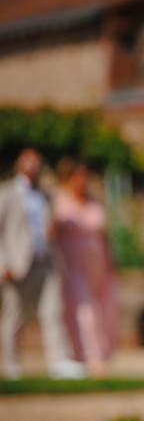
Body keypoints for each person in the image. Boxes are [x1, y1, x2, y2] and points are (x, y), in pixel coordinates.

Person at [0, 148, 82, 379]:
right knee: (14, 315)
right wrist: (2, 262)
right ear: (20, 165)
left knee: (53, 311)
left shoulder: (45, 195)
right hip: (16, 264)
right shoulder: (6, 194)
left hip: (46, 261)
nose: (34, 167)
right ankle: (12, 364)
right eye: (30, 163)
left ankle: (59, 361)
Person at [53, 160, 118, 378]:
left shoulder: (92, 200)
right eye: (78, 175)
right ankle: (90, 357)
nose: (83, 180)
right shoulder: (59, 201)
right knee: (85, 312)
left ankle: (102, 352)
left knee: (104, 311)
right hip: (74, 266)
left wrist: (111, 259)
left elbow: (104, 234)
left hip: (99, 266)